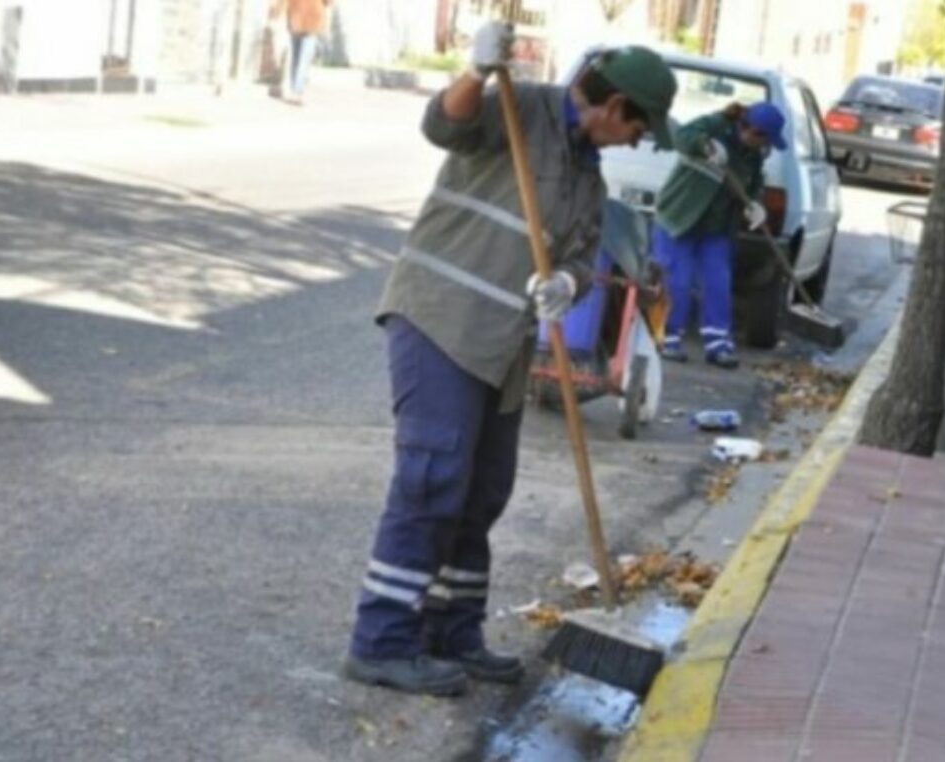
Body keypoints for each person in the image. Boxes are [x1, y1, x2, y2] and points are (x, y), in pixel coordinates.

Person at [341, 25, 677, 697]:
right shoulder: (518, 108)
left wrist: (570, 285)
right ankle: (381, 640)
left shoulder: (589, 180)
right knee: (433, 477)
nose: (639, 142)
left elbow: (581, 257)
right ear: (613, 108)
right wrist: (473, 70)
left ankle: (452, 633)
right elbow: (443, 126)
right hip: (440, 317)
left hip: (504, 343)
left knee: (483, 488)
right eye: (639, 128)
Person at [652, 101, 787, 369]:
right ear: (752, 130)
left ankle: (718, 344)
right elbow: (682, 137)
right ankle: (666, 338)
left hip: (717, 226)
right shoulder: (714, 126)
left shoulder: (753, 154)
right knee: (676, 281)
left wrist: (755, 203)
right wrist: (706, 146)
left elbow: (754, 182)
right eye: (764, 140)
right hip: (680, 217)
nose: (764, 147)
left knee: (718, 283)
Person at [269, 0, 331, 104]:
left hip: (296, 17)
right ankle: (297, 92)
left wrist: (276, 11)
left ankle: (294, 90)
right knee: (304, 58)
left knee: (296, 57)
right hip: (313, 17)